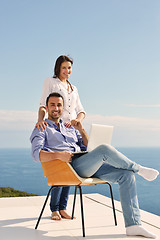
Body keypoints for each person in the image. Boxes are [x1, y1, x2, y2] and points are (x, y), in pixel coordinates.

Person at [30, 92, 159, 238]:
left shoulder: (69, 127)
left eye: (59, 105)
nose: (56, 108)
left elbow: (88, 146)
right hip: (69, 168)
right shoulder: (42, 127)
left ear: (63, 107)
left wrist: (81, 129)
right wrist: (59, 155)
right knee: (104, 149)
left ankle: (133, 225)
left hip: (86, 163)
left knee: (126, 175)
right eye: (52, 104)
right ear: (46, 108)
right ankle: (139, 169)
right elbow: (36, 155)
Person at [34, 56, 85, 221]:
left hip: (70, 131)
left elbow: (81, 110)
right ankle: (54, 209)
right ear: (58, 68)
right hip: (55, 128)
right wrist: (40, 121)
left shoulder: (74, 88)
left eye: (69, 68)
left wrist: (78, 122)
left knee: (70, 168)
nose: (67, 71)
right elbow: (43, 104)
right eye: (64, 67)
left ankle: (62, 207)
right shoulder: (51, 81)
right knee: (59, 167)